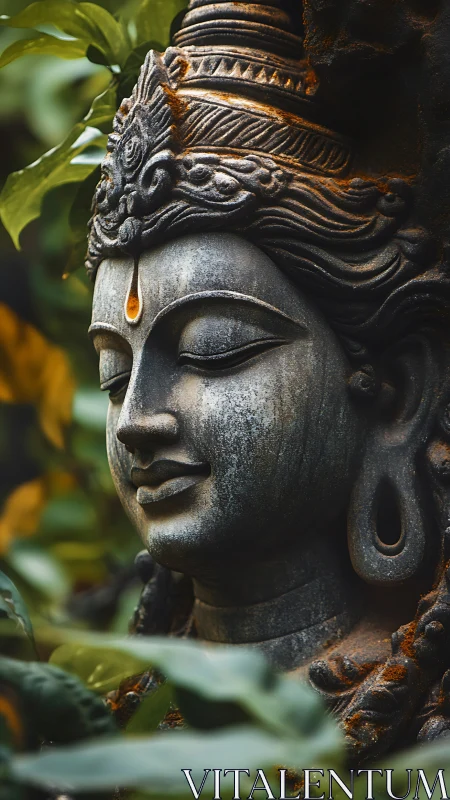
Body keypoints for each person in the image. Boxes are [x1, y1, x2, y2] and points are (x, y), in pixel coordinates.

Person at [87, 0, 450, 762]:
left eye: (213, 349)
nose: (135, 420)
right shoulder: (97, 717)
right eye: (113, 374)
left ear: (394, 395)